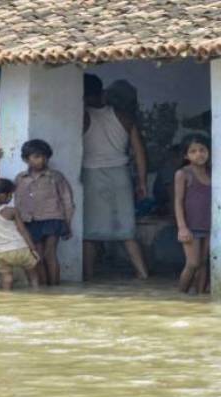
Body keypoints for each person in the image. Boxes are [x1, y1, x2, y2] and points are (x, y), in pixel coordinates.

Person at [82, 74, 149, 280]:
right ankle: (142, 273)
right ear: (102, 93)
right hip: (121, 175)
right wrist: (142, 182)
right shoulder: (124, 116)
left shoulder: (81, 116)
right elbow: (139, 153)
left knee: (90, 232)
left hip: (92, 175)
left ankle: (88, 276)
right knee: (127, 229)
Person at [14, 139, 75, 286]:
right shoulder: (21, 178)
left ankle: (55, 286)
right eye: (36, 156)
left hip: (53, 219)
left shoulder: (56, 177)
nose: (41, 160)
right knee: (37, 256)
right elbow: (18, 202)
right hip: (31, 220)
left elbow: (67, 201)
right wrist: (19, 224)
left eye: (44, 157)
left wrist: (67, 223)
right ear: (25, 159)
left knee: (50, 254)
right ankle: (44, 289)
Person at [0, 178, 40, 290]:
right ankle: (36, 294)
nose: (11, 197)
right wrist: (33, 249)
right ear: (1, 195)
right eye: (9, 194)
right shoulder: (11, 211)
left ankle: (6, 300)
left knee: (6, 278)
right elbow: (23, 231)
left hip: (0, 252)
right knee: (33, 276)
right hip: (20, 249)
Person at [173, 135, 212, 294]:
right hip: (191, 226)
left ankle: (201, 298)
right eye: (193, 151)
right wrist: (182, 227)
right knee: (193, 263)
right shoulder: (183, 174)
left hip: (209, 225)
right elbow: (178, 201)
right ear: (186, 156)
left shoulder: (213, 172)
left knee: (203, 263)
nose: (199, 154)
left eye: (202, 150)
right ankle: (180, 296)